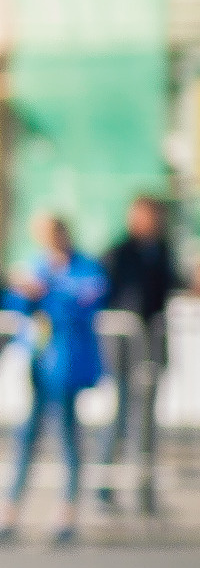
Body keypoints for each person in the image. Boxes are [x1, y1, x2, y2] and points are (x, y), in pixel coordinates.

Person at [0, 211, 108, 548]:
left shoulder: (82, 267)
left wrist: (48, 292)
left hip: (69, 363)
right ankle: (9, 509)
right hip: (39, 361)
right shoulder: (37, 265)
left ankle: (66, 512)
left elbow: (87, 301)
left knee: (68, 437)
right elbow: (14, 305)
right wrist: (26, 293)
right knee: (26, 436)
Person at [98, 195, 181, 517]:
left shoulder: (161, 250)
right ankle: (105, 488)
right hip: (124, 345)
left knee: (146, 420)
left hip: (152, 342)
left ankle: (143, 492)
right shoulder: (121, 252)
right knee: (120, 414)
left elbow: (169, 289)